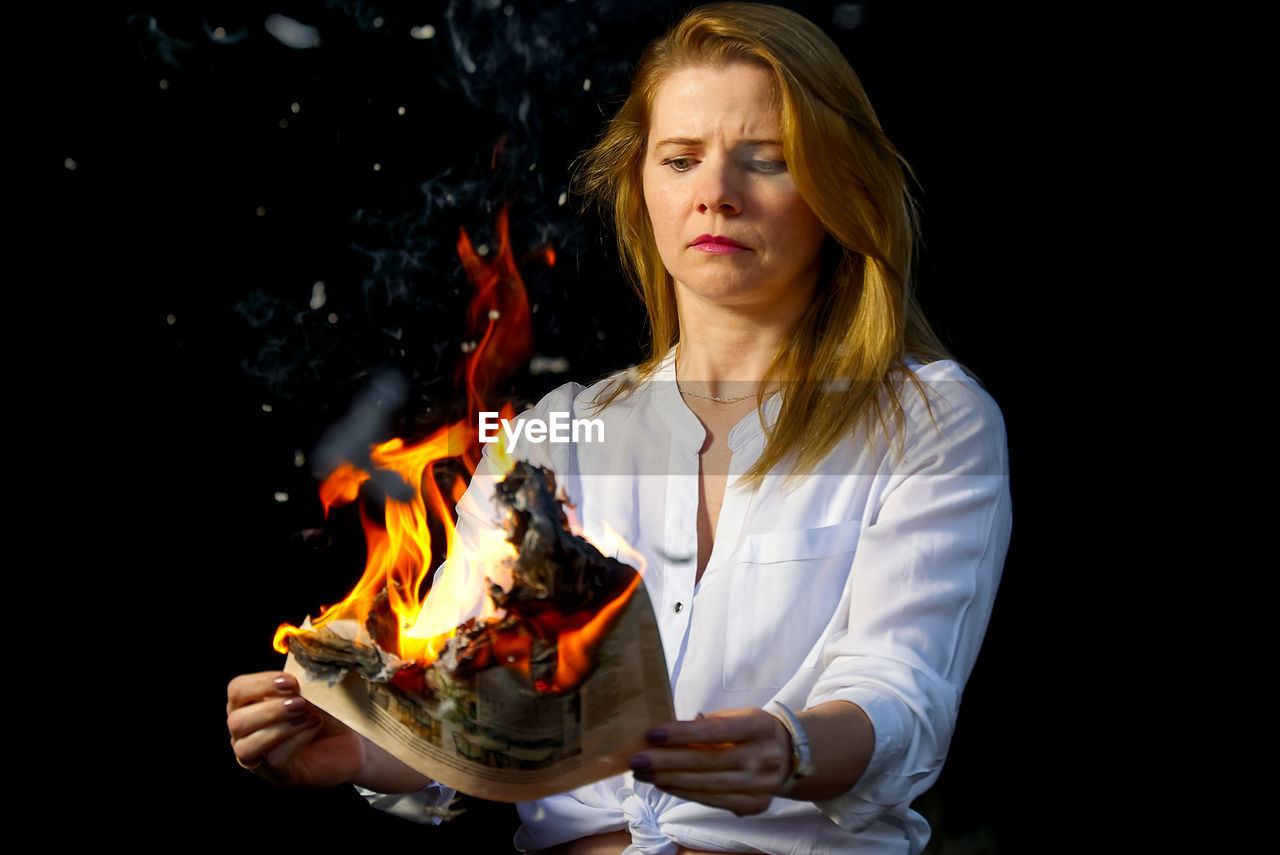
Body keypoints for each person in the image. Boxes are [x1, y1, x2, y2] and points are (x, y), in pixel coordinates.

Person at [226, 4, 1012, 854]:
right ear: (643, 184)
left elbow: (901, 689)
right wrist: (364, 744)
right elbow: (470, 703)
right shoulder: (556, 436)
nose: (716, 191)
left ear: (835, 186)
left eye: (769, 160)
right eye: (681, 159)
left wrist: (791, 747)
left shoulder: (927, 421)